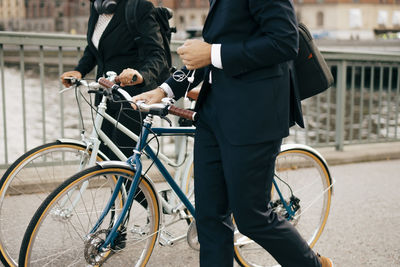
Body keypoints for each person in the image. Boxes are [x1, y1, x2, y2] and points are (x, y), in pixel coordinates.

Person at [129, 0, 334, 266]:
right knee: (210, 218)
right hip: (213, 114)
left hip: (254, 116)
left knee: (252, 218)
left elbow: (284, 42)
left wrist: (213, 53)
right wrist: (164, 90)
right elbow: (208, 55)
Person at [60, 0, 170, 159]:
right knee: (103, 159)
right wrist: (79, 71)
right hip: (105, 96)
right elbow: (95, 48)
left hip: (132, 99)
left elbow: (157, 55)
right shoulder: (97, 8)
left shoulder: (138, 8)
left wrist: (140, 75)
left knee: (121, 164)